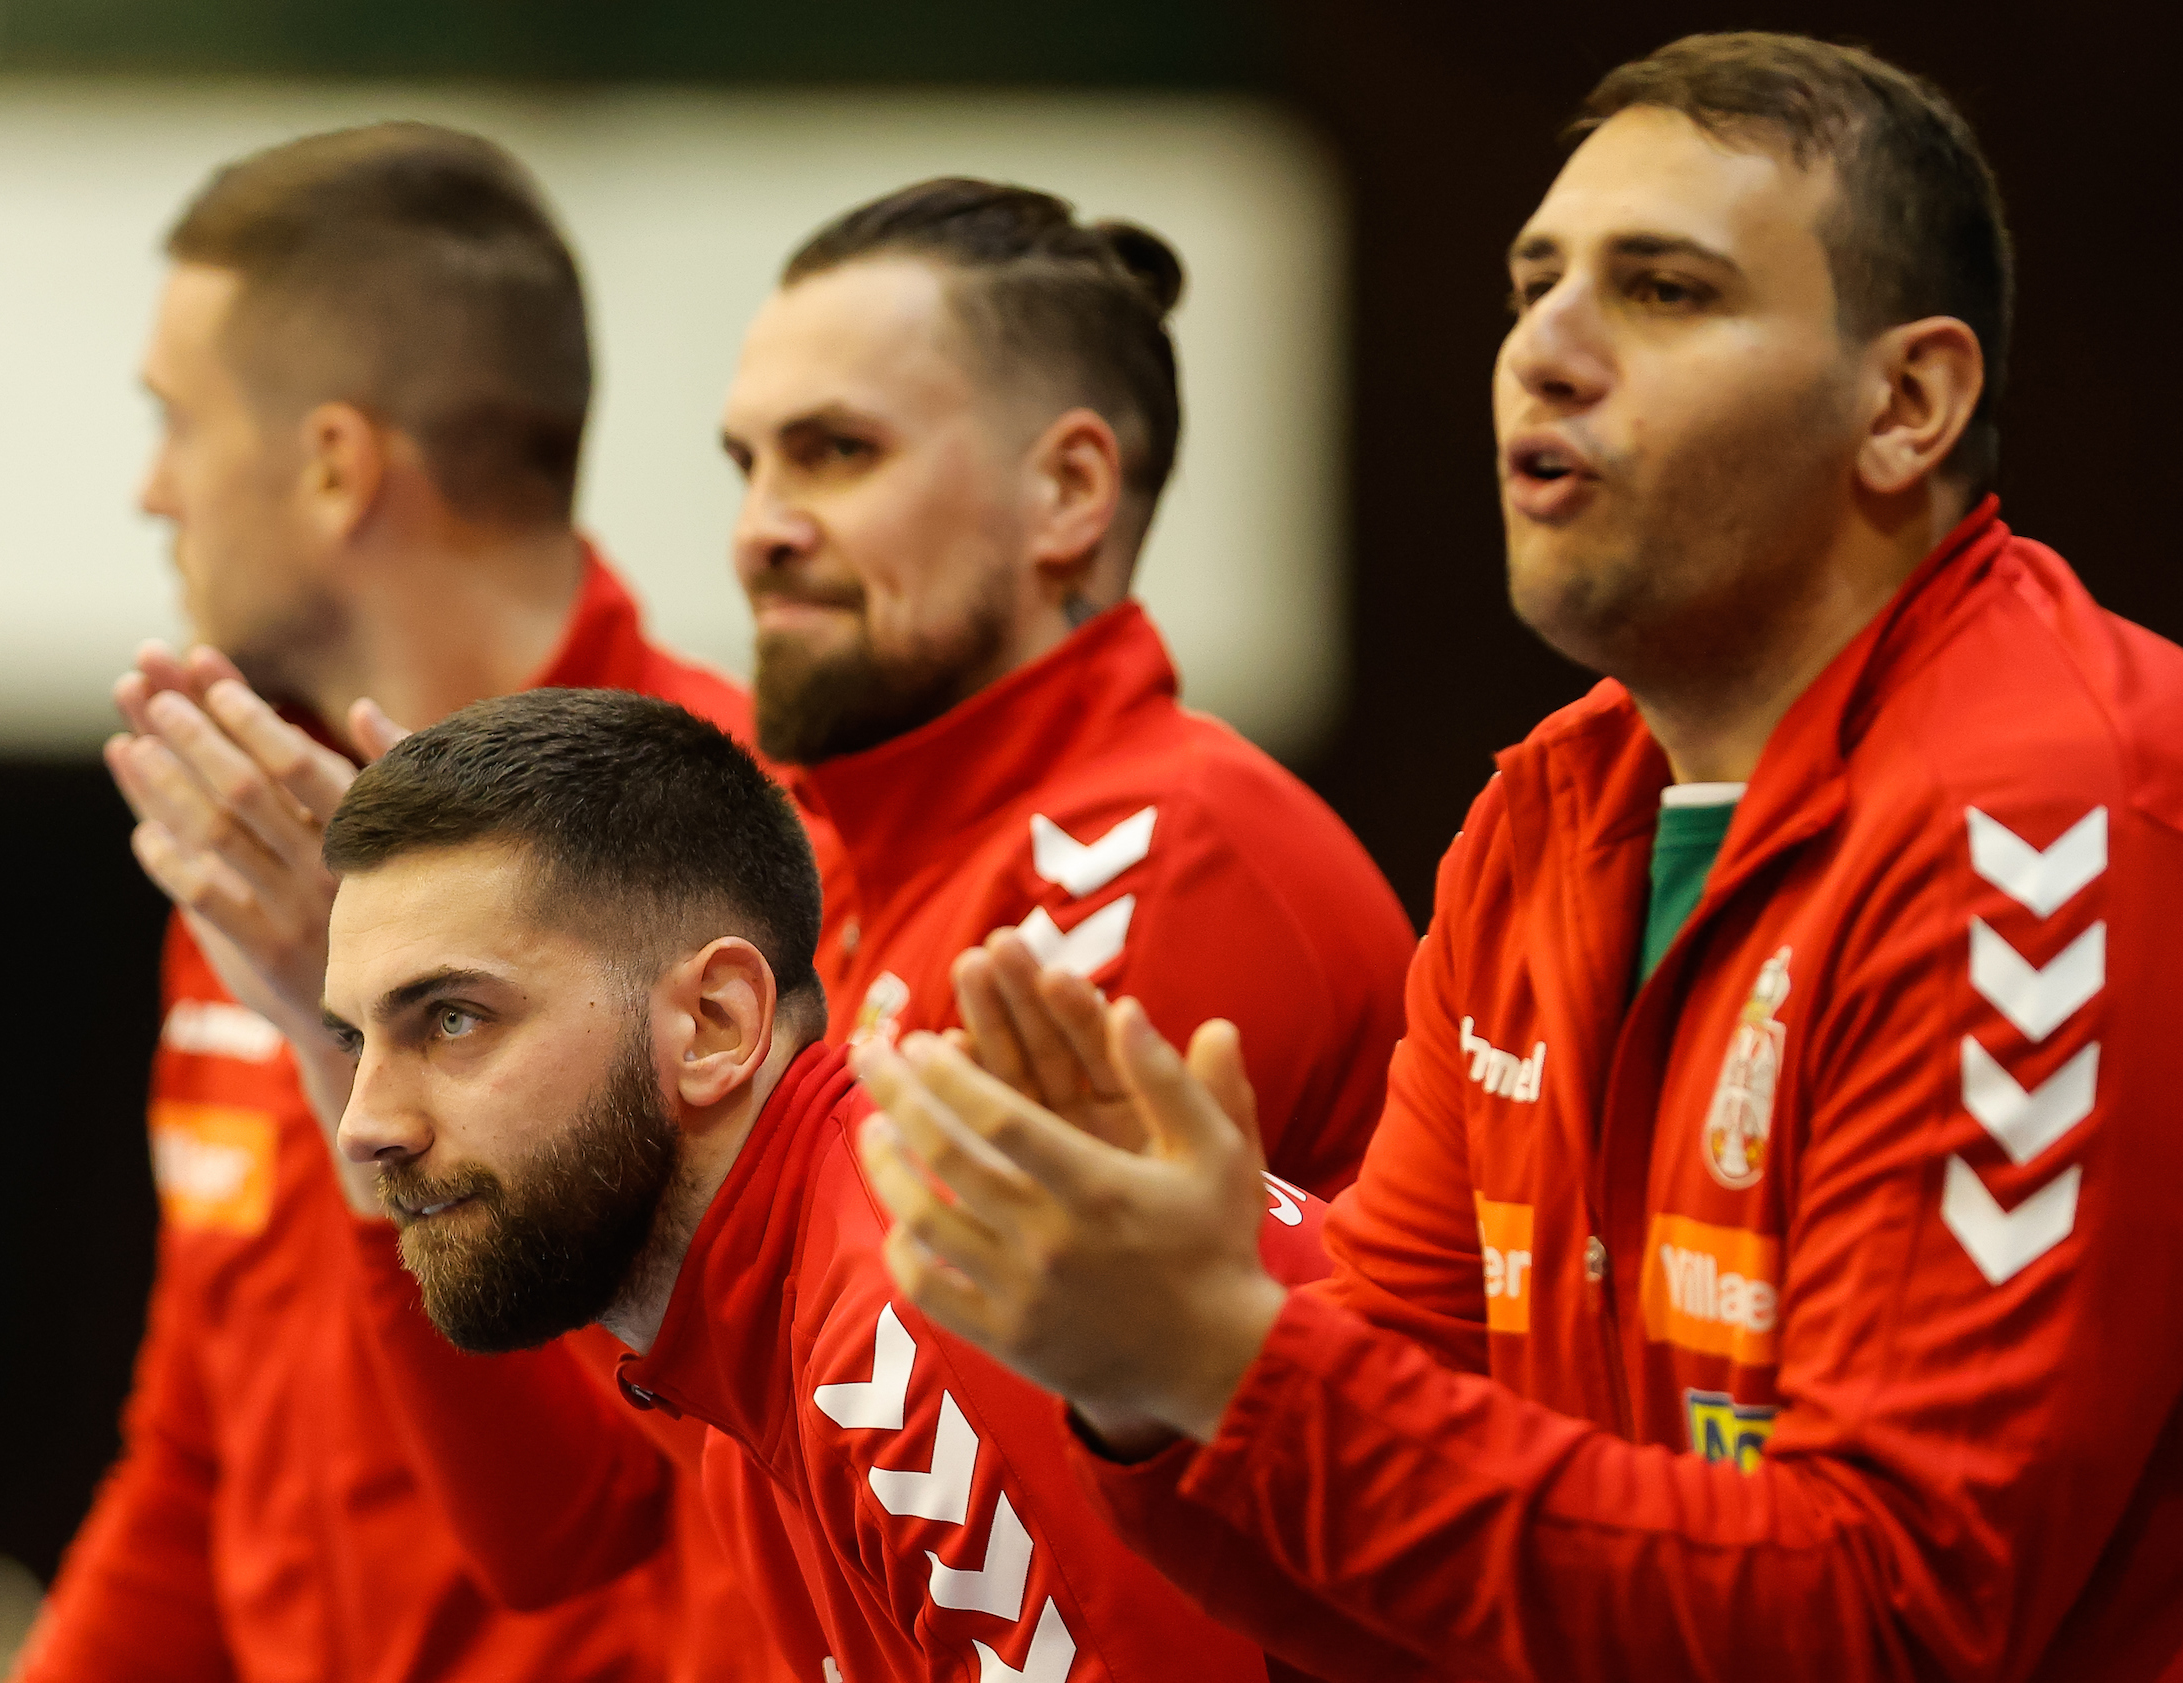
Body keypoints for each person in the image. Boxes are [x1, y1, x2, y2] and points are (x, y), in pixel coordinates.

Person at [853, 33, 2183, 1681]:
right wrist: (1146, 1373)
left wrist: (1226, 1354)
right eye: (1531, 281)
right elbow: (1386, 1519)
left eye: (1666, 291)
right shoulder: (1544, 820)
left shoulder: (2043, 830)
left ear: (1906, 405)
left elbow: (1891, 1612)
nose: (1544, 350)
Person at [20, 123, 774, 1683]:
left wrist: (331, 1020)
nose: (152, 487)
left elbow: (601, 1511)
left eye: (176, 419)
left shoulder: (746, 850)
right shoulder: (263, 853)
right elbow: (197, 1455)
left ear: (335, 463)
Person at [318, 686, 1336, 1683]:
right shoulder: (761, 1358)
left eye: (452, 1019)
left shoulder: (926, 1305)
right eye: (353, 1039)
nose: (364, 1124)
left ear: (715, 1024)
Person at [728, 177, 1415, 1198]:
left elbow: (937, 1355)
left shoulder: (1168, 856)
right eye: (749, 465)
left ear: (1068, 494)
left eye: (838, 452)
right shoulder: (831, 844)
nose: (758, 532)